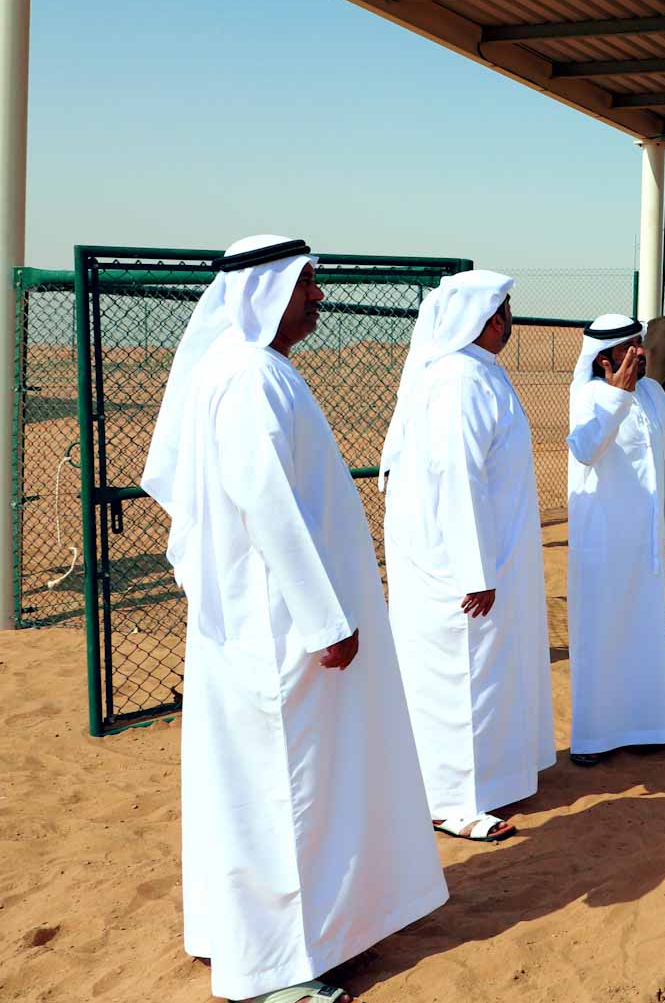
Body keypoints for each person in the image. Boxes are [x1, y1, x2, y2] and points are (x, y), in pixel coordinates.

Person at [143, 235, 448, 1003]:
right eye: (306, 284)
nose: (317, 297)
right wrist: (324, 620)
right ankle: (277, 970)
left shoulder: (251, 372)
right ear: (269, 291)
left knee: (262, 793)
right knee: (286, 793)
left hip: (259, 625)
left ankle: (256, 939)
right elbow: (268, 508)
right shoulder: (249, 379)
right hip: (279, 631)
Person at [380, 270, 553, 843]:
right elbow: (456, 477)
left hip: (489, 551)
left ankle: (490, 781)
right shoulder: (457, 380)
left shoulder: (480, 373)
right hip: (460, 564)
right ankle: (449, 802)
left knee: (484, 673)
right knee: (460, 677)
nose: (509, 321)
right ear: (483, 319)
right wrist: (474, 570)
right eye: (503, 311)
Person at [563, 314, 665, 766]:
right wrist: (617, 397)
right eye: (630, 348)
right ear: (604, 358)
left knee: (644, 633)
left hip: (644, 543)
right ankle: (596, 739)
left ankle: (649, 728)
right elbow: (584, 448)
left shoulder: (655, 393)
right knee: (602, 635)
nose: (641, 353)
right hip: (601, 543)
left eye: (640, 345)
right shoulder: (589, 396)